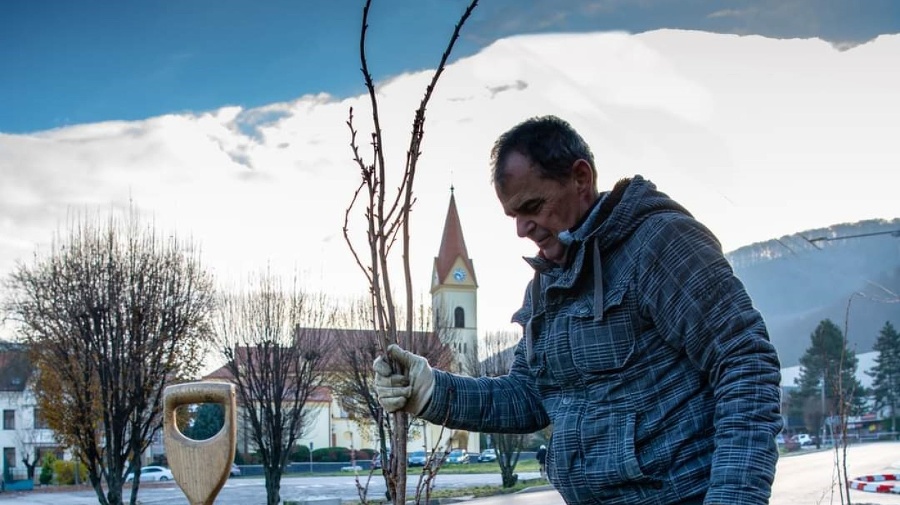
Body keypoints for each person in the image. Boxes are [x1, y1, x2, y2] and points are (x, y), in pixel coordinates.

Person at [374, 115, 783, 505]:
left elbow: (746, 362)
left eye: (532, 206)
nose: (522, 228)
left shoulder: (659, 243)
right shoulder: (547, 286)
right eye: (514, 215)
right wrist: (432, 391)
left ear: (581, 179)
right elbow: (529, 396)